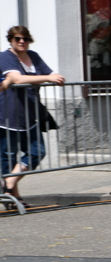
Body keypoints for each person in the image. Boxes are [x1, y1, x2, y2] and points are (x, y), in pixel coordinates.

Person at [0, 26, 65, 207]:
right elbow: (17, 79)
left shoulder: (33, 56)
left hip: (30, 114)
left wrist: (56, 77)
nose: (22, 42)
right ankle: (14, 198)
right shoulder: (5, 57)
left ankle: (8, 184)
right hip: (8, 115)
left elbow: (49, 72)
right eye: (17, 39)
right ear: (11, 41)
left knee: (38, 151)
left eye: (25, 39)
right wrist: (48, 78)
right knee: (9, 156)